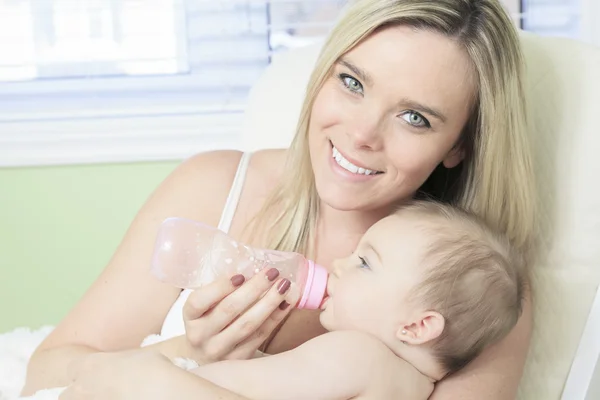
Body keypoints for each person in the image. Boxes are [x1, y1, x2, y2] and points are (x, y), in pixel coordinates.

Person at [22, 0, 537, 398]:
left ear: (460, 145)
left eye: (414, 117)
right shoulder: (215, 188)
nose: (361, 134)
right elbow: (43, 373)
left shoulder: (475, 291)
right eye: (353, 82)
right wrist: (191, 352)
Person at [189, 200, 527, 400]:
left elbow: (218, 389)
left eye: (364, 262)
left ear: (417, 326)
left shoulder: (356, 354)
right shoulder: (413, 387)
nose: (338, 264)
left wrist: (186, 360)